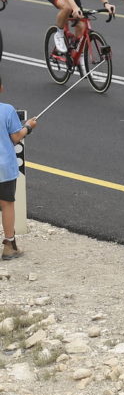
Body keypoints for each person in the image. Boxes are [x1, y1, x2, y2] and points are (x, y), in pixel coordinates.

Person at [1, 76, 36, 261]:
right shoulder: (7, 110)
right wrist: (29, 127)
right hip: (4, 168)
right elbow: (16, 137)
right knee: (7, 204)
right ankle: (9, 245)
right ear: (0, 87)